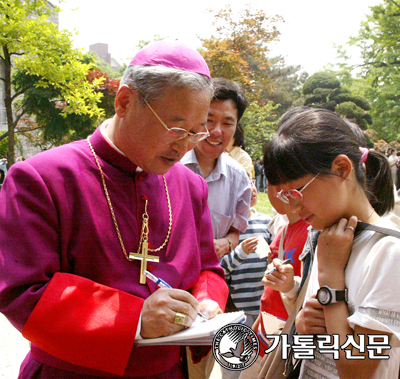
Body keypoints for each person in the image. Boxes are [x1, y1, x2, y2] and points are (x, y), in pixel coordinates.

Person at [0, 40, 229, 379]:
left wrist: (208, 301)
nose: (183, 146)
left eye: (196, 133)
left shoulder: (189, 185)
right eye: (176, 128)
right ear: (124, 102)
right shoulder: (42, 177)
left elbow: (208, 270)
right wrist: (134, 319)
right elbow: (23, 291)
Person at [262, 107, 399, 379]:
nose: (293, 205)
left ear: (341, 169)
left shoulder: (389, 253)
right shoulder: (326, 237)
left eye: (296, 191)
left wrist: (331, 284)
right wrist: (302, 324)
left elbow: (357, 371)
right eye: (285, 195)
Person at [238, 183, 309, 379]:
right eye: (272, 184)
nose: (276, 191)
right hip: (260, 342)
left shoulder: (313, 234)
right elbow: (269, 292)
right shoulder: (283, 230)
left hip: (283, 349)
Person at [182, 78, 251, 260]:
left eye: (227, 123)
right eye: (208, 120)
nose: (216, 131)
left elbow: (235, 232)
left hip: (210, 278)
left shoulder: (238, 177)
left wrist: (226, 243)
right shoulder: (170, 164)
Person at [220, 180, 272, 330]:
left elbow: (272, 259)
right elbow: (221, 269)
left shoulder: (266, 222)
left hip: (264, 304)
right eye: (245, 186)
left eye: (253, 183)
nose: (252, 189)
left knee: (267, 348)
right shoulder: (228, 228)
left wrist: (269, 255)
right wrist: (240, 252)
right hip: (239, 306)